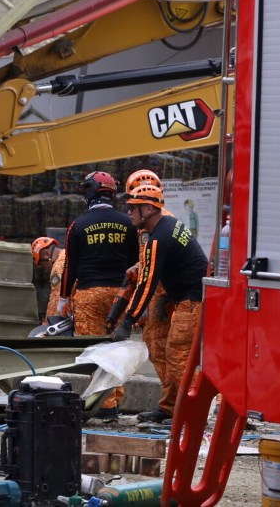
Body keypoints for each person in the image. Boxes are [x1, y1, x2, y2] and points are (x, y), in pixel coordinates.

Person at [111, 185, 208, 425]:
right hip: (185, 295)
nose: (129, 214)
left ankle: (193, 415)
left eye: (133, 209)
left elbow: (146, 284)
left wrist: (127, 321)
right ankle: (170, 409)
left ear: (148, 208)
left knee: (179, 355)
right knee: (168, 353)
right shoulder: (166, 224)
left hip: (194, 299)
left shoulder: (158, 238)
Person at [61, 171, 138, 420]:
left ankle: (105, 407)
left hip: (89, 295)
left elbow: (69, 267)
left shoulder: (78, 224)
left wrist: (63, 300)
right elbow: (136, 263)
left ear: (91, 192)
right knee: (116, 350)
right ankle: (114, 403)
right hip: (121, 294)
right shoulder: (128, 223)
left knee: (95, 351)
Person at [115, 169, 172, 415]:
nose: (129, 211)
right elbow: (150, 264)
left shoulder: (156, 227)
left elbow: (154, 272)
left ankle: (172, 407)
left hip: (160, 294)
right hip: (159, 292)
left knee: (161, 348)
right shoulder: (154, 224)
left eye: (133, 203)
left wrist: (134, 314)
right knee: (161, 349)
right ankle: (171, 405)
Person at [32, 236, 66, 323]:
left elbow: (56, 299)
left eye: (42, 264)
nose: (45, 269)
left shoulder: (57, 268)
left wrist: (47, 324)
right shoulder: (67, 254)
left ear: (47, 254)